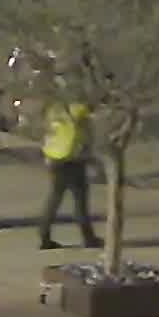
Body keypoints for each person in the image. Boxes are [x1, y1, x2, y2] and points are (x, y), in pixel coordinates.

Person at [37, 99, 102, 253]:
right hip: (73, 160)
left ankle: (44, 236)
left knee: (54, 199)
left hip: (54, 158)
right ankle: (88, 238)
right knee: (80, 201)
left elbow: (47, 132)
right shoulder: (80, 111)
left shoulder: (54, 109)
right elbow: (86, 137)